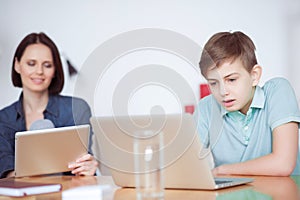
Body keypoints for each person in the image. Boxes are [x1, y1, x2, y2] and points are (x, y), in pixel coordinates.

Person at [195, 31, 300, 176]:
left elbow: (283, 164)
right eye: (213, 83)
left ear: (254, 75)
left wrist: (223, 170)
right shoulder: (206, 107)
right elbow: (186, 165)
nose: (223, 91)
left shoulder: (277, 91)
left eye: (231, 80)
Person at [0, 32, 98, 178]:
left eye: (47, 65)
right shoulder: (4, 118)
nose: (39, 71)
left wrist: (87, 167)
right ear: (17, 65)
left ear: (55, 70)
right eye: (31, 64)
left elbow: (81, 166)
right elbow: (6, 171)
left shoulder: (76, 109)